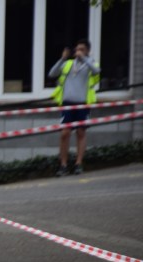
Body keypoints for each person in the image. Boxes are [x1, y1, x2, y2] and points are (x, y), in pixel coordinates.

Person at [49, 39, 100, 176]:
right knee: (64, 133)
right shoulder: (68, 64)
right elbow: (52, 73)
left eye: (82, 49)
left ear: (87, 51)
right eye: (77, 49)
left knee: (81, 132)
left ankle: (78, 163)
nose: (78, 52)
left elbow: (97, 71)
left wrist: (84, 59)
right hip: (67, 103)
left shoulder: (90, 64)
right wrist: (62, 58)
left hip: (83, 103)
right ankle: (63, 165)